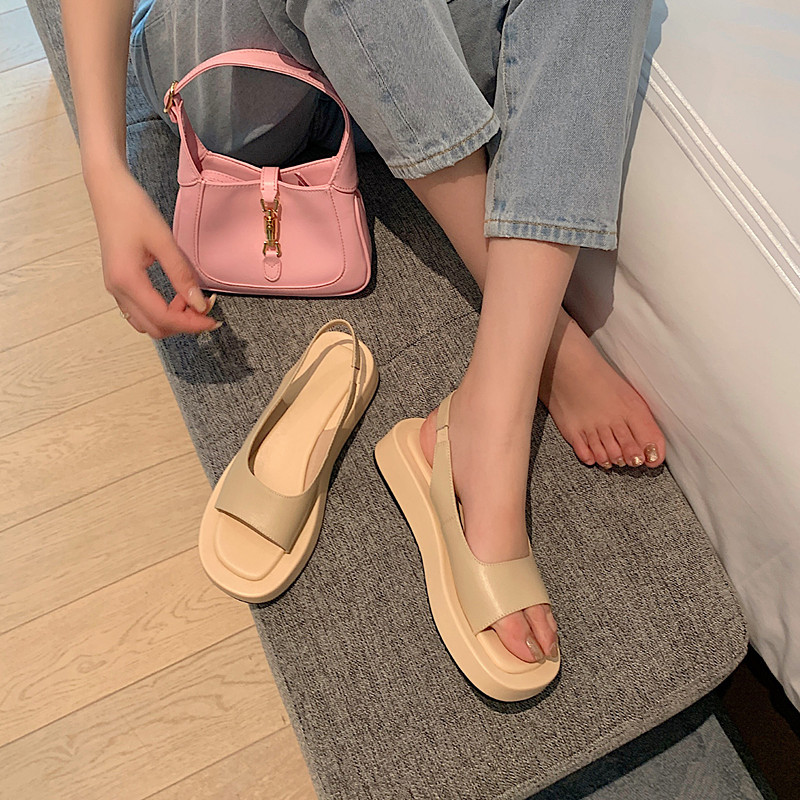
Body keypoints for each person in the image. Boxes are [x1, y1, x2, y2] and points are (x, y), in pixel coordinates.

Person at [61, 0, 665, 666]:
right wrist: (103, 170)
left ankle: (497, 401)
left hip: (413, 46)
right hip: (239, 66)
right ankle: (541, 344)